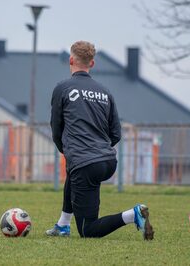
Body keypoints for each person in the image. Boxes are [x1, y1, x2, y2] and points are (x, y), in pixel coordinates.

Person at [47, 41, 154, 239]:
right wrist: (98, 150)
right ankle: (62, 225)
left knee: (88, 230)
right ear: (92, 64)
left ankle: (133, 214)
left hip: (86, 163)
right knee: (74, 170)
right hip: (107, 161)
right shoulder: (105, 92)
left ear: (71, 60)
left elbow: (56, 127)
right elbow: (116, 133)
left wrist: (67, 150)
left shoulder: (62, 88)